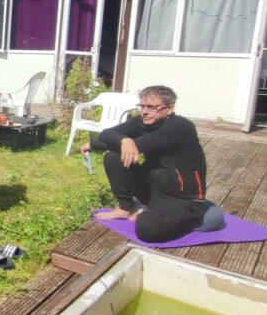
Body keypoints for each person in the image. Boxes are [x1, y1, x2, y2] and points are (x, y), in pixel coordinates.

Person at [81, 85, 224, 243]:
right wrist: (121, 140)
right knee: (113, 156)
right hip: (153, 190)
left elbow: (140, 144)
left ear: (169, 108)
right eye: (142, 106)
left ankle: (193, 217)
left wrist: (121, 142)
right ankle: (125, 208)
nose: (144, 111)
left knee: (146, 230)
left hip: (181, 198)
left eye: (152, 107)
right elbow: (106, 133)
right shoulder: (142, 121)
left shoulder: (180, 127)